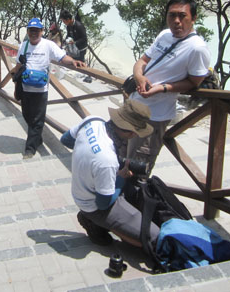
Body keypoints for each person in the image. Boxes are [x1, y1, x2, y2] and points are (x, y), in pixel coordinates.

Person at [127, 0, 210, 174]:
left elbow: (194, 82)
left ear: (194, 18)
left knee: (138, 167)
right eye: (172, 15)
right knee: (120, 156)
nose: (176, 21)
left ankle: (133, 201)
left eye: (182, 16)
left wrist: (162, 88)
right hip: (133, 107)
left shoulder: (197, 48)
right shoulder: (164, 35)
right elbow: (142, 60)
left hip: (154, 116)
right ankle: (116, 199)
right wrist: (139, 77)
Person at [60, 100, 160, 247]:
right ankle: (91, 220)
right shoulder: (107, 160)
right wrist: (120, 178)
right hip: (92, 205)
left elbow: (65, 140)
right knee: (153, 238)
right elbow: (102, 204)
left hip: (81, 190)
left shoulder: (93, 120)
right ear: (131, 132)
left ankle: (100, 219)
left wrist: (86, 155)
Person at [14, 18, 86, 159]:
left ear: (42, 31)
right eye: (31, 30)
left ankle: (30, 149)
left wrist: (73, 61)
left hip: (41, 90)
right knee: (27, 116)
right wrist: (16, 86)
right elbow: (17, 66)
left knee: (37, 120)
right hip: (25, 87)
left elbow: (62, 57)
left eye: (36, 30)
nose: (34, 33)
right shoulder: (24, 45)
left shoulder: (49, 45)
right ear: (28, 32)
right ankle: (37, 139)